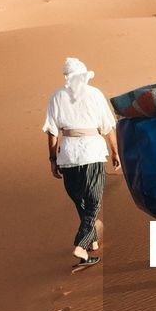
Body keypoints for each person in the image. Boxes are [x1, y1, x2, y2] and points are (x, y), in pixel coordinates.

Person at [43, 58, 120, 270]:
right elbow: (108, 126)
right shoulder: (95, 94)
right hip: (92, 153)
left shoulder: (56, 97)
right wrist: (115, 151)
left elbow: (52, 132)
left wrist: (52, 160)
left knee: (81, 202)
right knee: (94, 201)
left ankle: (92, 241)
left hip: (68, 155)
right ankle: (81, 245)